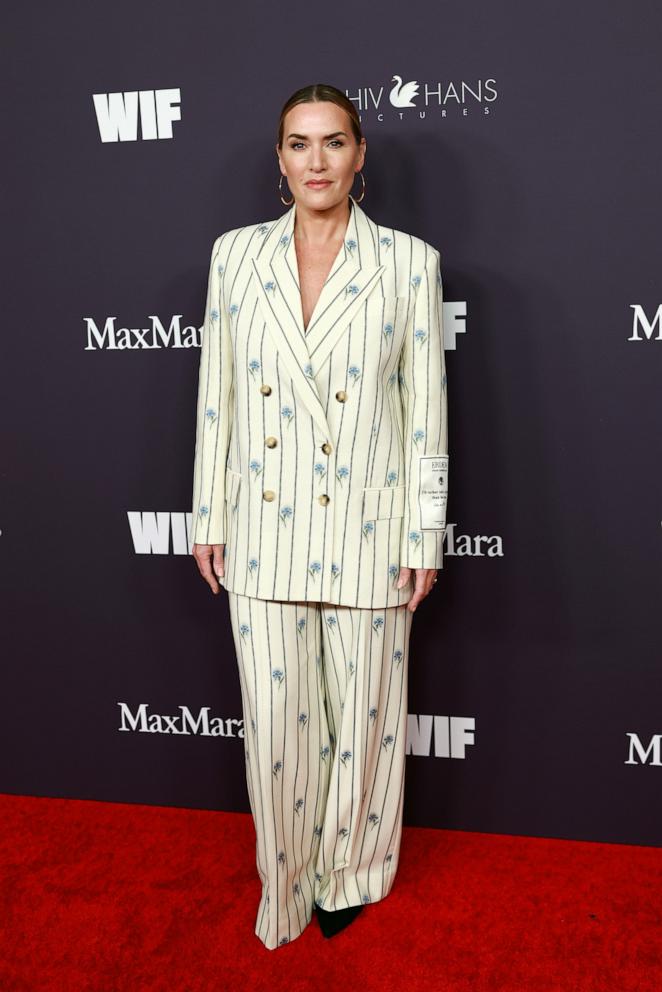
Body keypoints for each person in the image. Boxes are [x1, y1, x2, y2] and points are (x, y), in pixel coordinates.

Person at [191, 82, 448, 950]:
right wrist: (208, 511)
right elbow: (217, 396)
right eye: (299, 145)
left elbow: (426, 414)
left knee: (367, 717)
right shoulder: (235, 257)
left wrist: (426, 530)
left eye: (333, 143)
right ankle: (288, 877)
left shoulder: (409, 263)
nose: (316, 161)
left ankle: (353, 871)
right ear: (279, 159)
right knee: (275, 725)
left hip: (369, 527)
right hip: (263, 528)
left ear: (360, 153)